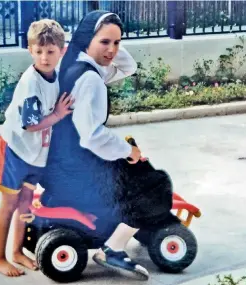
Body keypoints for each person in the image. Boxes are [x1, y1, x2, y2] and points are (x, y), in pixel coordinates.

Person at [39, 11, 173, 280]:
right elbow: (92, 136)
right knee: (156, 183)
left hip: (60, 163)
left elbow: (127, 67)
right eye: (105, 42)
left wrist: (107, 38)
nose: (112, 50)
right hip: (78, 169)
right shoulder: (91, 79)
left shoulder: (74, 63)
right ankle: (113, 248)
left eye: (117, 43)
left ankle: (122, 229)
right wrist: (128, 151)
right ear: (88, 39)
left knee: (135, 169)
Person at [0, 19, 73, 277]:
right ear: (30, 50)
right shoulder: (30, 82)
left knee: (26, 202)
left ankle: (17, 251)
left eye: (50, 51)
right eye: (38, 51)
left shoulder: (56, 75)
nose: (44, 57)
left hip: (36, 151)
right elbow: (30, 125)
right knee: (9, 203)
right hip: (15, 149)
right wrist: (58, 115)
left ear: (62, 51)